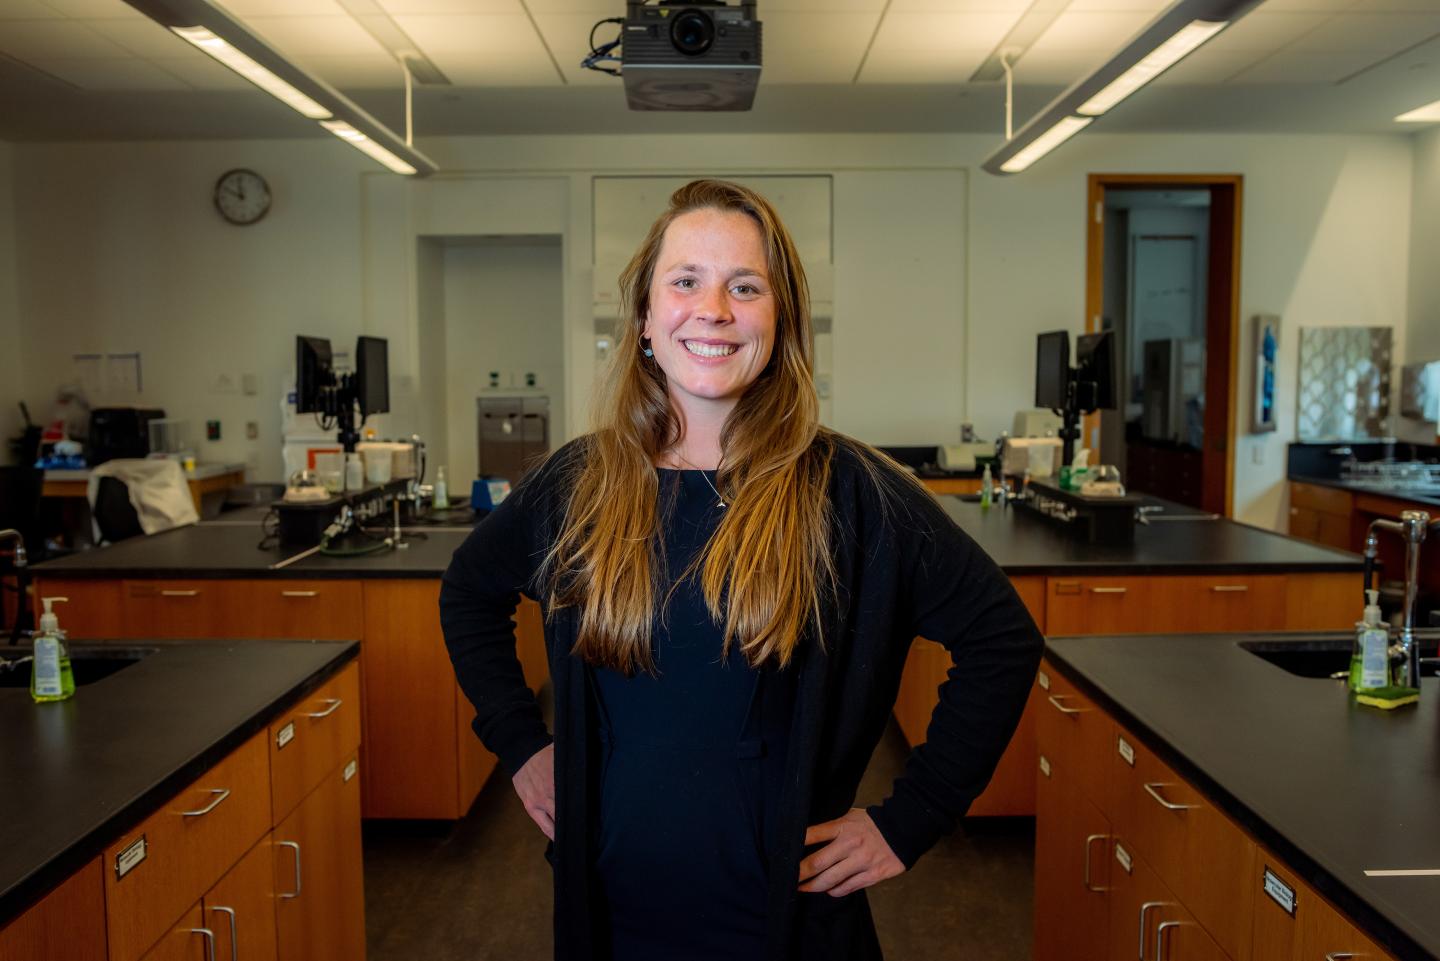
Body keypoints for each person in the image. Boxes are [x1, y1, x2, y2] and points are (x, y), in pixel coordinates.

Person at [440, 179, 1043, 961]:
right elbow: (468, 593)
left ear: (779, 319)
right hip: (612, 911)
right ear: (646, 319)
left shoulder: (853, 492)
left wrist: (912, 816)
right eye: (685, 280)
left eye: (745, 286)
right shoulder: (576, 484)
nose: (714, 308)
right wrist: (520, 742)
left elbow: (1001, 638)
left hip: (783, 921)